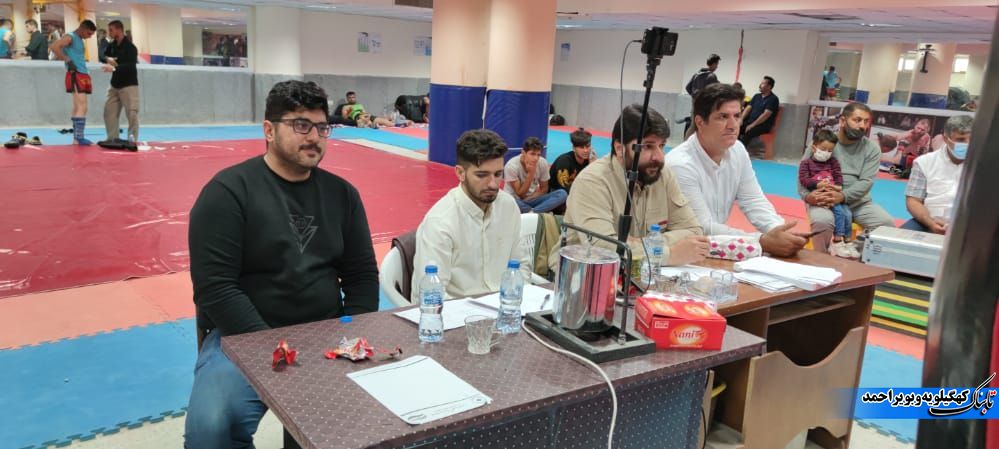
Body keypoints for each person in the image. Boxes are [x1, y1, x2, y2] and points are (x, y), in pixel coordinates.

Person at [184, 80, 378, 447]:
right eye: (301, 125)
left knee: (361, 422)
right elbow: (216, 287)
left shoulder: (342, 195)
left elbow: (362, 276)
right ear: (269, 130)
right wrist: (271, 347)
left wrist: (351, 334)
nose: (314, 137)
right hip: (242, 336)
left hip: (327, 332)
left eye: (322, 127)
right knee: (212, 428)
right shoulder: (228, 193)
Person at [551, 104, 708, 272]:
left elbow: (694, 232)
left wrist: (638, 244)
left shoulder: (663, 175)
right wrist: (668, 254)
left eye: (661, 146)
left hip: (641, 275)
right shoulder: (592, 182)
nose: (659, 157)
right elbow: (602, 251)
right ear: (620, 148)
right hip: (578, 278)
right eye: (647, 146)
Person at [666, 83, 807, 258]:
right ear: (700, 122)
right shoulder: (681, 165)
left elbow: (753, 200)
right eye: (723, 117)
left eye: (737, 116)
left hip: (718, 246)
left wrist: (778, 230)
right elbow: (702, 227)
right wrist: (761, 241)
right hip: (680, 253)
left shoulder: (737, 150)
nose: (733, 125)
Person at [411, 129, 532, 301]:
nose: (493, 184)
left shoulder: (508, 206)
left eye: (498, 174)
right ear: (460, 173)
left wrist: (515, 301)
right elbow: (430, 293)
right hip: (457, 312)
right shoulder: (441, 222)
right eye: (482, 175)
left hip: (507, 307)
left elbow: (522, 265)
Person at [798, 102, 895, 253]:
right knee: (823, 222)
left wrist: (843, 196)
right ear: (843, 121)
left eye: (866, 121)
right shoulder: (822, 143)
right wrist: (808, 196)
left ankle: (854, 253)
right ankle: (820, 258)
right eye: (857, 120)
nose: (862, 126)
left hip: (858, 203)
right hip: (823, 200)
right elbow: (802, 174)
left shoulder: (872, 149)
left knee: (886, 225)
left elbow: (866, 182)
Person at [903, 115, 973, 234]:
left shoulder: (985, 165)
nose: (968, 144)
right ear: (946, 138)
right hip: (929, 221)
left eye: (972, 139)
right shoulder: (924, 162)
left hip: (971, 225)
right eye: (961, 139)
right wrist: (930, 222)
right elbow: (913, 201)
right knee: (900, 238)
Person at [798, 130, 858, 258]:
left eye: (830, 150)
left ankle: (847, 241)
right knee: (839, 212)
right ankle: (837, 241)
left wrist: (838, 186)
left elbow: (838, 175)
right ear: (814, 148)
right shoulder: (806, 163)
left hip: (833, 193)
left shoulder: (833, 162)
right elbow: (804, 180)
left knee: (847, 213)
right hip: (820, 194)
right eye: (823, 149)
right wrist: (817, 184)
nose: (826, 153)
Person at [50, 20, 97, 145]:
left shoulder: (79, 39)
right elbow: (54, 46)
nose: (89, 37)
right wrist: (67, 60)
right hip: (76, 73)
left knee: (78, 106)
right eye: (88, 33)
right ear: (82, 28)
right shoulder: (70, 37)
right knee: (82, 106)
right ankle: (79, 138)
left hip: (81, 73)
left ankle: (77, 139)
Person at [99, 20, 140, 145]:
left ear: (119, 30)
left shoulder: (130, 48)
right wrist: (107, 59)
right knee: (109, 111)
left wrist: (114, 68)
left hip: (129, 85)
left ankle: (132, 139)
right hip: (115, 85)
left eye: (111, 30)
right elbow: (102, 55)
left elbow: (130, 66)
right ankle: (112, 138)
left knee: (132, 113)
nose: (109, 33)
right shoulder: (112, 45)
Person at [504, 137, 568, 213]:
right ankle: (538, 211)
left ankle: (532, 212)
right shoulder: (511, 166)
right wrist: (531, 173)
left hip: (532, 199)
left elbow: (544, 189)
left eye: (538, 155)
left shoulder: (542, 163)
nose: (536, 158)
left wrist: (532, 197)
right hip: (515, 200)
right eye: (532, 154)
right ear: (523, 152)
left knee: (562, 194)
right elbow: (520, 194)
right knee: (509, 200)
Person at [682, 54, 721, 137]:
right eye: (717, 64)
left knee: (693, 126)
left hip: (695, 104)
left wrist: (695, 97)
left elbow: (687, 87)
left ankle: (686, 142)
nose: (717, 67)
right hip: (706, 106)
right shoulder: (712, 76)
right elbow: (715, 92)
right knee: (705, 126)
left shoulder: (696, 74)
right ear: (714, 64)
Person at [549, 127, 595, 194]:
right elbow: (564, 188)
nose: (585, 150)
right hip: (557, 192)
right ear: (573, 148)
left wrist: (593, 167)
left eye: (588, 146)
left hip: (577, 190)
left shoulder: (591, 160)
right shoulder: (564, 161)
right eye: (581, 147)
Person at [739, 76, 779, 148]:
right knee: (736, 127)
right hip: (750, 122)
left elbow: (766, 115)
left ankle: (741, 151)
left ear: (769, 86)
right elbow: (748, 108)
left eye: (763, 83)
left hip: (762, 125)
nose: (760, 85)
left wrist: (752, 125)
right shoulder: (756, 96)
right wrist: (741, 119)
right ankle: (732, 149)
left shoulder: (773, 99)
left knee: (748, 132)